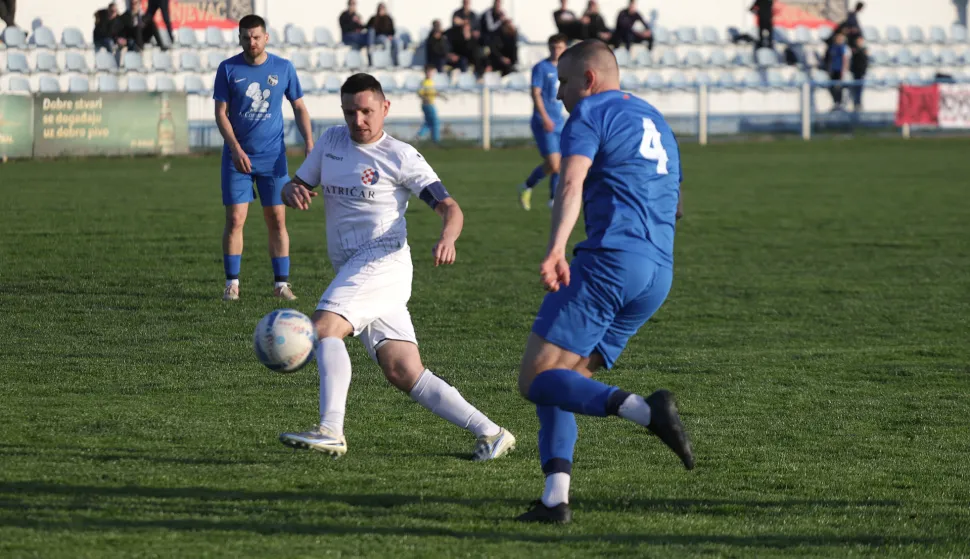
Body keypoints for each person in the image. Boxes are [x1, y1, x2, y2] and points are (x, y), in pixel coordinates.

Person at [277, 73, 517, 462]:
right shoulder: (330, 142)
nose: (358, 120)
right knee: (403, 370)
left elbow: (449, 207)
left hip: (382, 259)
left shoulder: (400, 156)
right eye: (350, 111)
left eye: (367, 111)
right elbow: (297, 184)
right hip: (352, 269)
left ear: (385, 108)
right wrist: (292, 190)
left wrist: (448, 237)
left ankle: (330, 429)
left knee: (323, 328)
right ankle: (491, 433)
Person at [514, 39, 692, 524]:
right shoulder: (656, 119)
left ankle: (646, 412)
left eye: (564, 83)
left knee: (536, 379)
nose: (559, 95)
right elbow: (675, 203)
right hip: (658, 272)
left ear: (588, 80)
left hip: (611, 263)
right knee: (564, 381)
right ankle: (555, 500)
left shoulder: (589, 113)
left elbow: (570, 182)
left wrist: (555, 249)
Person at [212, 15, 313, 301]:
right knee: (235, 220)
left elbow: (299, 107)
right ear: (240, 38)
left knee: (277, 220)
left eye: (256, 37)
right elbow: (221, 114)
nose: (251, 42)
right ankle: (232, 283)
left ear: (266, 37)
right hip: (237, 157)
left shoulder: (283, 67)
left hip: (273, 158)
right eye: (246, 37)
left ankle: (281, 284)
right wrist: (235, 148)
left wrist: (309, 142)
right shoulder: (228, 68)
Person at [518, 34, 568, 211]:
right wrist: (545, 117)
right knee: (555, 163)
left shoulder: (566, 68)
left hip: (559, 121)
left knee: (560, 163)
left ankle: (553, 200)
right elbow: (536, 93)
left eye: (560, 47)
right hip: (543, 121)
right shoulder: (541, 68)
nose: (557, 51)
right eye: (554, 47)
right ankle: (527, 186)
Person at [417, 66, 445, 144]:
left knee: (428, 122)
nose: (431, 74)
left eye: (431, 72)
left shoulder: (431, 82)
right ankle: (436, 140)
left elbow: (434, 92)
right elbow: (420, 93)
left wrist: (442, 96)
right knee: (435, 122)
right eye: (429, 72)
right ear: (426, 72)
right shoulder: (424, 82)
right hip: (428, 105)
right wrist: (425, 99)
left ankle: (419, 135)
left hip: (430, 104)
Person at [827, 31, 850, 109]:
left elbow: (845, 59)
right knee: (831, 87)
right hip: (833, 70)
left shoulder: (842, 47)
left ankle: (839, 103)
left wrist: (843, 70)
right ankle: (836, 102)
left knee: (839, 87)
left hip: (839, 70)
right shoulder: (833, 46)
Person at [849, 36, 868, 111]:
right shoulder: (854, 50)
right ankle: (856, 103)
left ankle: (858, 103)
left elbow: (865, 61)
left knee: (859, 89)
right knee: (856, 89)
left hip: (861, 72)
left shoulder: (864, 50)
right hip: (855, 72)